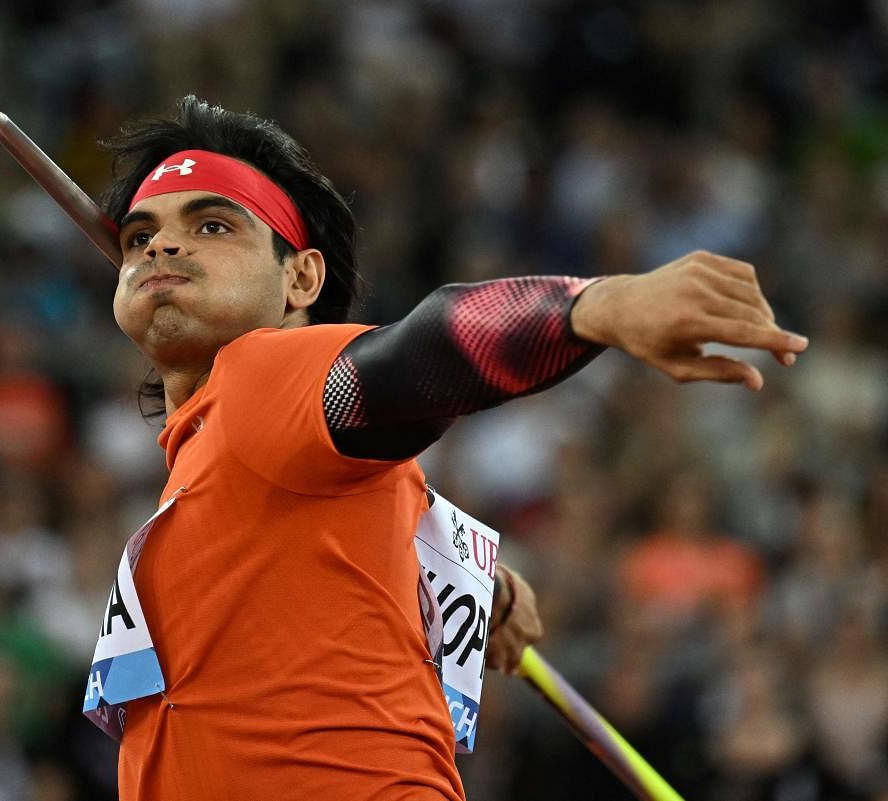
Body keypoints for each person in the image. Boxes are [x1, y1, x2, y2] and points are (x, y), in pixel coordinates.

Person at [91, 96, 808, 801]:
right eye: (138, 236)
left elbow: (425, 353)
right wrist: (464, 584)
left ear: (300, 278)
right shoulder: (257, 454)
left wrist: (596, 308)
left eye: (213, 225)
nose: (162, 246)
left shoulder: (259, 377)